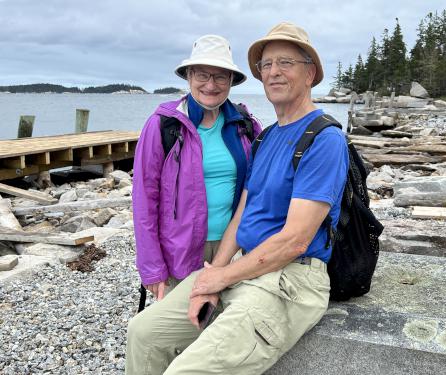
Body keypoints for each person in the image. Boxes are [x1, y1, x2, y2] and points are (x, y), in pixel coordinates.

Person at [126, 22, 349, 375]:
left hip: (289, 278)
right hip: (243, 266)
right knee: (143, 332)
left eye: (286, 63)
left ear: (311, 73)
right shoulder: (267, 136)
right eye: (267, 64)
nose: (274, 72)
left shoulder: (323, 139)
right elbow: (242, 213)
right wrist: (214, 274)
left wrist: (221, 277)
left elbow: (294, 241)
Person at [132, 34, 261, 302]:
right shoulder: (163, 125)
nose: (210, 85)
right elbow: (144, 200)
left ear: (231, 81)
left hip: (236, 248)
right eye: (202, 75)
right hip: (180, 251)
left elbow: (260, 187)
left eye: (220, 77)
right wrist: (152, 267)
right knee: (182, 332)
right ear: (189, 76)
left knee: (224, 331)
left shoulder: (245, 124)